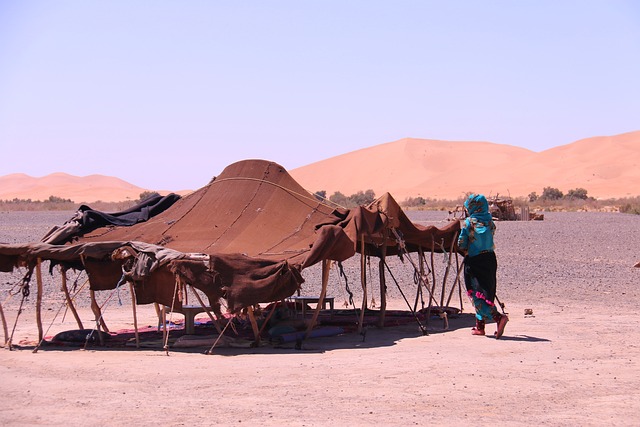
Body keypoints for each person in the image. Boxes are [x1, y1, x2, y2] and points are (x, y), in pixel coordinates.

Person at [457, 193, 508, 338]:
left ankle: (498, 317)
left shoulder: (469, 223)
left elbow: (461, 243)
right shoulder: (490, 222)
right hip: (490, 259)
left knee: (476, 292)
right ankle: (480, 327)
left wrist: (466, 247)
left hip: (475, 261)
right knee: (486, 290)